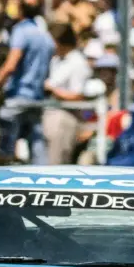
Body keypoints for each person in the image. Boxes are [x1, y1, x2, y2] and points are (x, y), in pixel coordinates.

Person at [0, 0, 54, 164]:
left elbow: (11, 65)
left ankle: (1, 176)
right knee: (37, 144)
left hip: (18, 96)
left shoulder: (21, 31)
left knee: (5, 140)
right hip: (37, 97)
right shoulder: (45, 36)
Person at [43, 22, 92, 164]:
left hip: (65, 117)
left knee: (57, 163)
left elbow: (78, 95)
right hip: (49, 112)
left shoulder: (78, 62)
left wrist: (52, 90)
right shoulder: (56, 60)